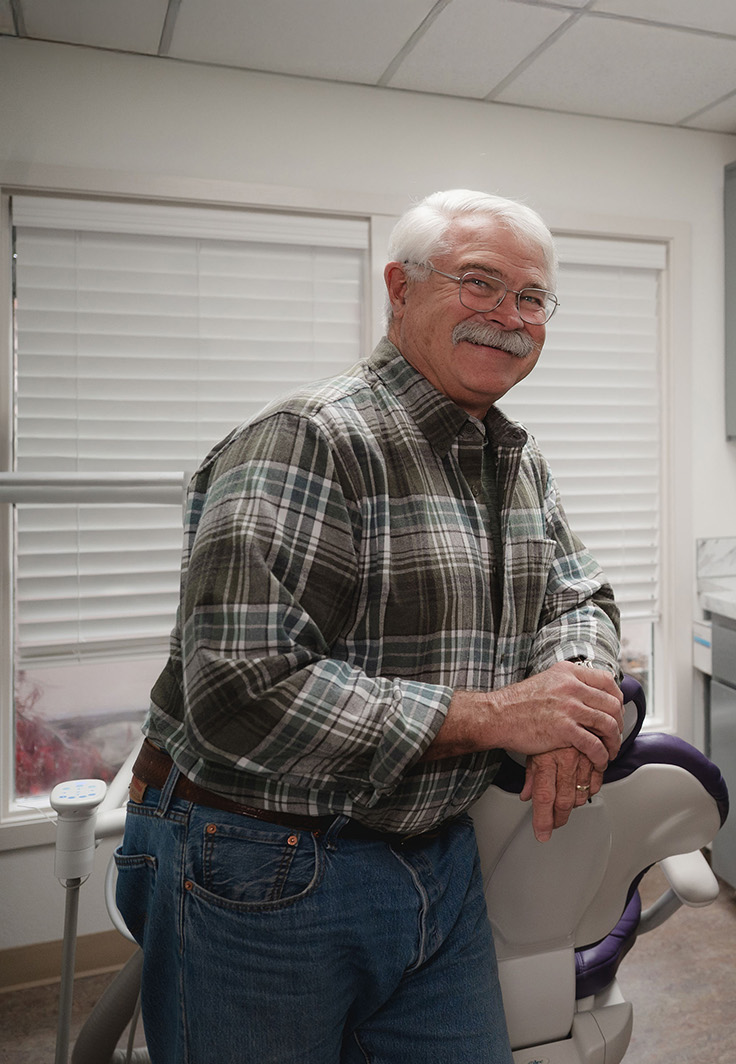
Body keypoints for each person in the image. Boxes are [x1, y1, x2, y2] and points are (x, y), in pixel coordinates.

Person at [115, 189, 626, 1063]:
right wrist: (501, 717)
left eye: (531, 298)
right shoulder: (310, 440)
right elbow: (242, 691)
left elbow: (579, 599)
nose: (508, 317)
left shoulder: (513, 457)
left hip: (439, 858)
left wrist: (567, 706)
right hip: (264, 860)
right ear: (400, 288)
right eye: (479, 283)